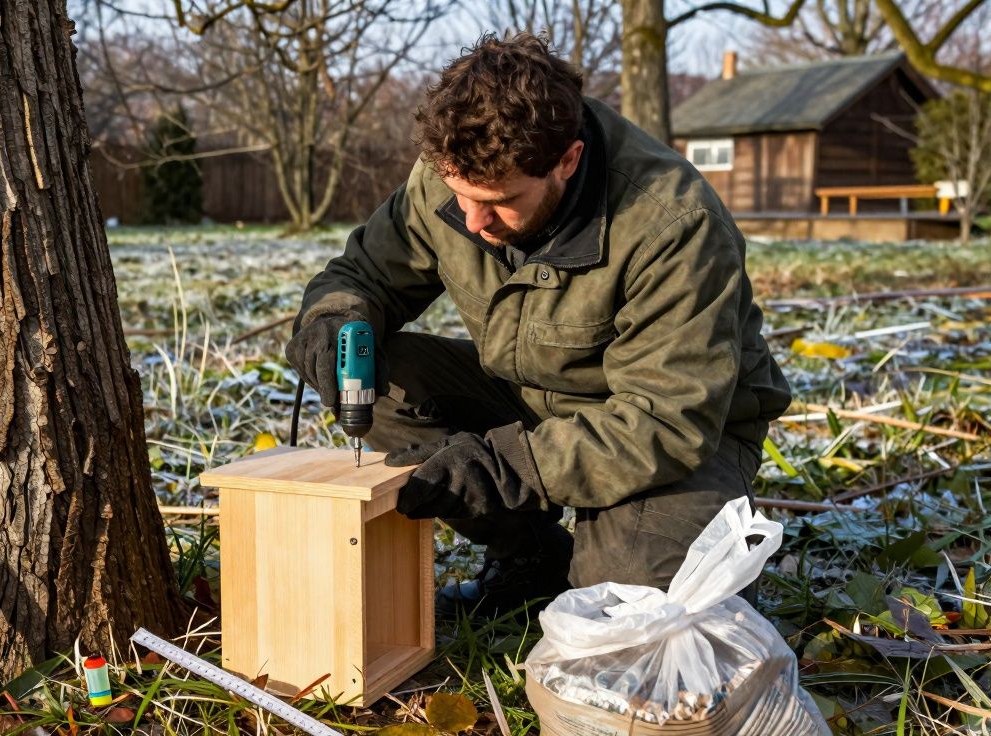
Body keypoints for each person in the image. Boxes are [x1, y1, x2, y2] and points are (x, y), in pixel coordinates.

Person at [285, 33, 792, 615]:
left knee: (626, 606)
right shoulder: (453, 171)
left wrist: (506, 464)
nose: (473, 222)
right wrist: (332, 319)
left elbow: (668, 420)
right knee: (377, 369)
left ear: (566, 161)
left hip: (673, 433)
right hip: (530, 394)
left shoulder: (673, 225)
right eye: (459, 194)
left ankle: (663, 541)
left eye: (500, 201)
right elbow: (366, 273)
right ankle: (527, 557)